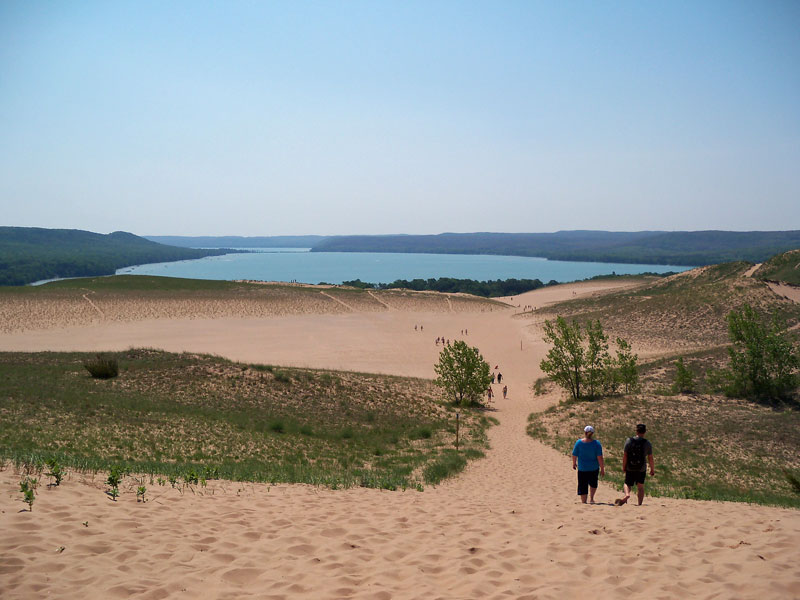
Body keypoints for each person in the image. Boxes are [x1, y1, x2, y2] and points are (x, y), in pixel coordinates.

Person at [616, 423, 655, 506]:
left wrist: (624, 466)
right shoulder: (647, 443)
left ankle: (627, 494)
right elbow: (650, 458)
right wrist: (652, 469)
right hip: (641, 468)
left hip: (630, 466)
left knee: (627, 483)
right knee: (640, 487)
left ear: (636, 431)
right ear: (644, 432)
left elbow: (625, 455)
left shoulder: (629, 441)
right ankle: (640, 504)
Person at [572, 426, 605, 503]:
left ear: (585, 432)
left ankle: (584, 501)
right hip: (593, 468)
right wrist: (602, 468)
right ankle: (592, 498)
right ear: (592, 433)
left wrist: (574, 463)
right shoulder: (597, 444)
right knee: (593, 483)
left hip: (582, 468)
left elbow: (574, 454)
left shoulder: (579, 443)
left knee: (582, 485)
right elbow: (600, 457)